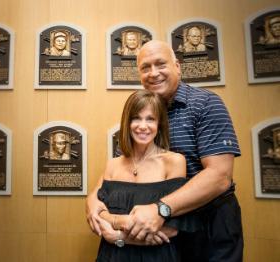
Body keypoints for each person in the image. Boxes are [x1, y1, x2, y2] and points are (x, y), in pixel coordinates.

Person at [86, 40, 243, 261]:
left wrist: (160, 209)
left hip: (209, 224)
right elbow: (122, 170)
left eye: (160, 64)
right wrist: (93, 203)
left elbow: (220, 176)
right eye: (145, 67)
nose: (153, 73)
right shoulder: (141, 115)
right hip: (162, 225)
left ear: (177, 66)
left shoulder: (206, 104)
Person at [92, 89, 202, 261]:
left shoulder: (174, 162)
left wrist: (119, 236)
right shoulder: (112, 164)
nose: (143, 126)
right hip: (112, 256)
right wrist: (124, 222)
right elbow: (98, 213)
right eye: (136, 118)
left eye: (150, 119)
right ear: (127, 123)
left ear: (159, 125)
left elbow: (172, 229)